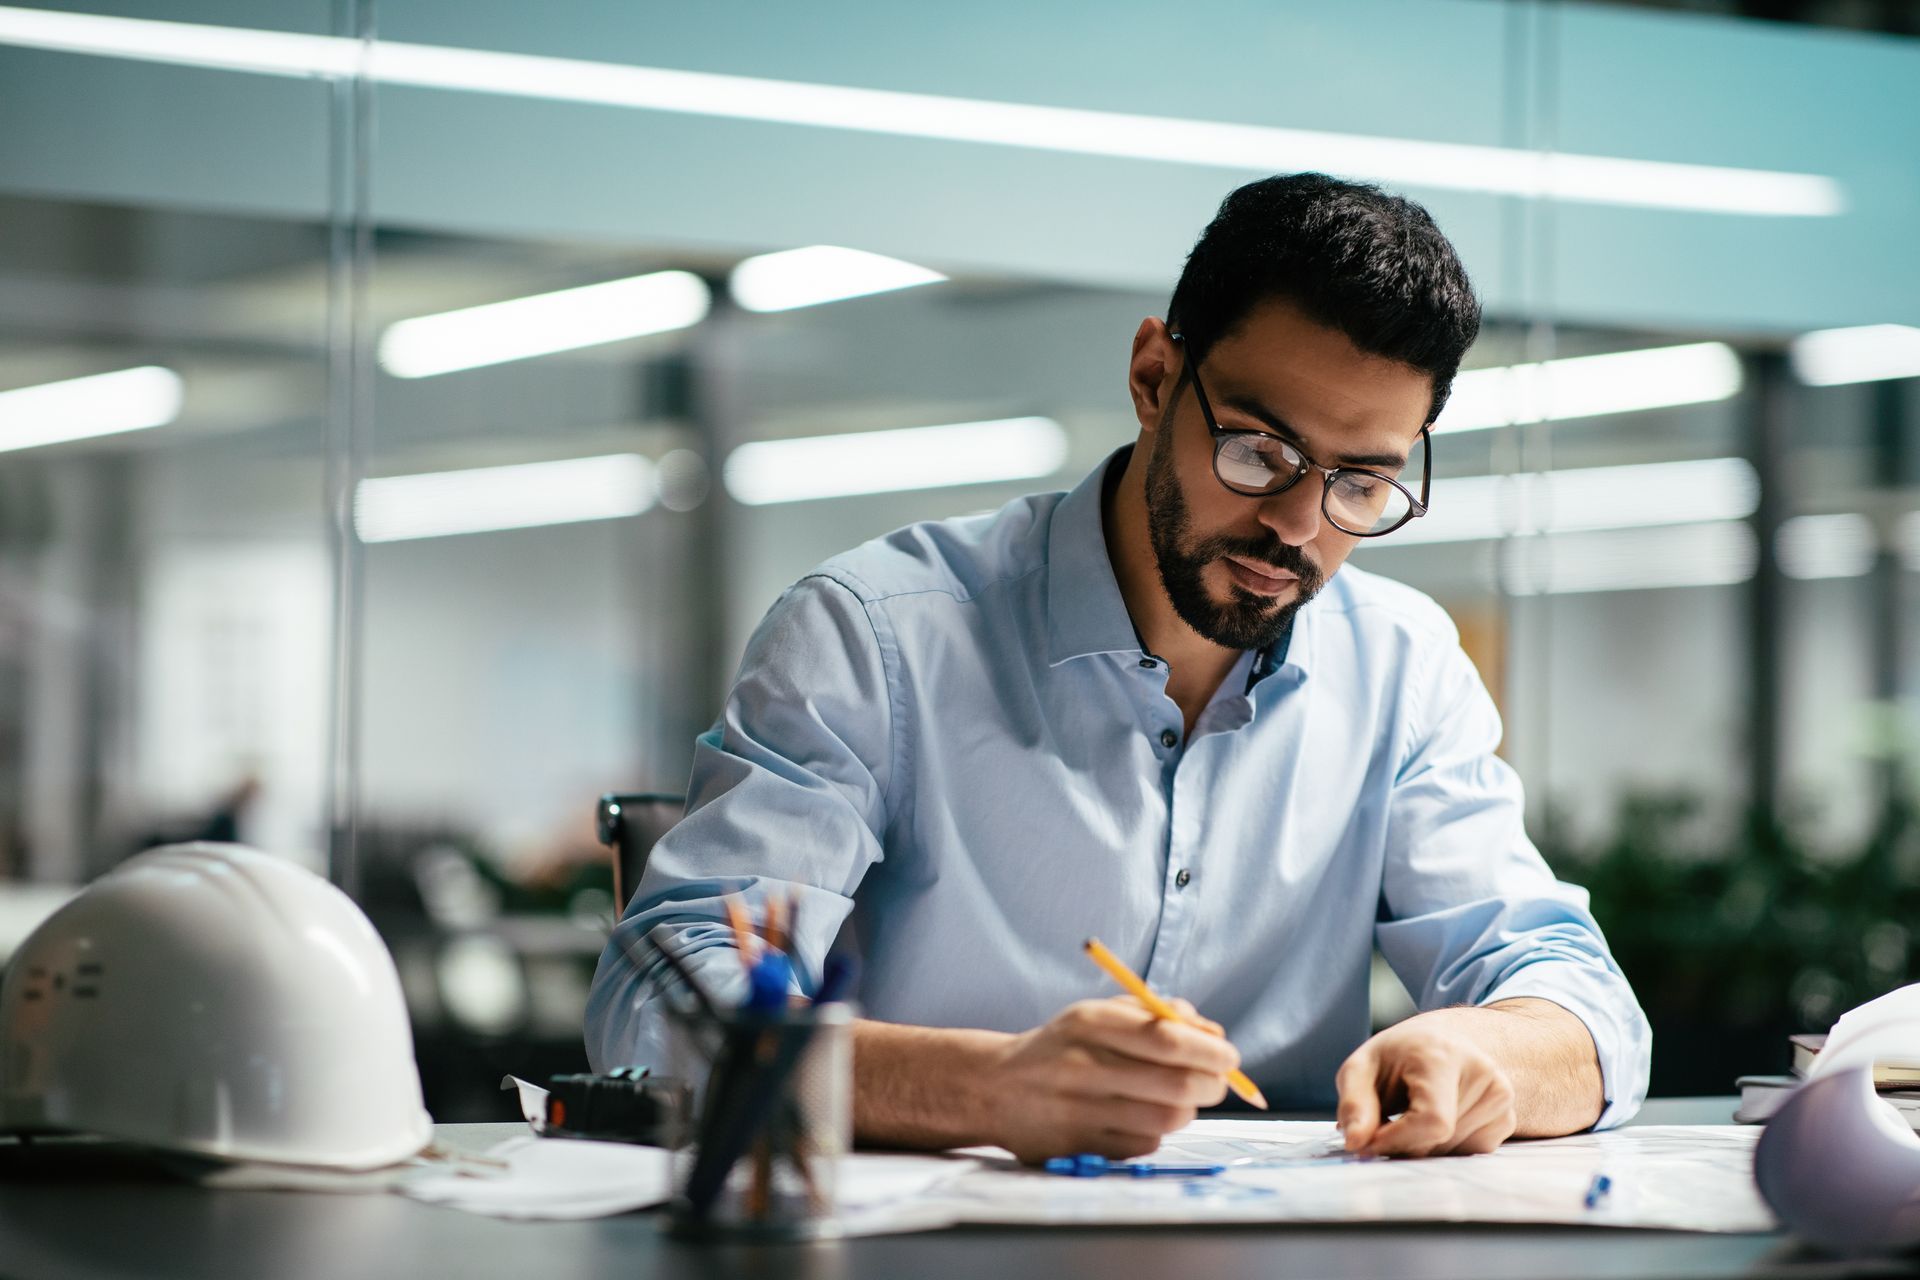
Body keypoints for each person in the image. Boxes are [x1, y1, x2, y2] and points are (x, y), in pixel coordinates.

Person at [587, 172, 1651, 1162]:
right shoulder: (875, 637)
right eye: (1259, 452)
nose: (1294, 524)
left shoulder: (1403, 667)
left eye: (1360, 484)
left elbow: (1583, 1004)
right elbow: (658, 1010)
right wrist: (987, 1089)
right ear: (1154, 377)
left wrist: (1490, 1055)